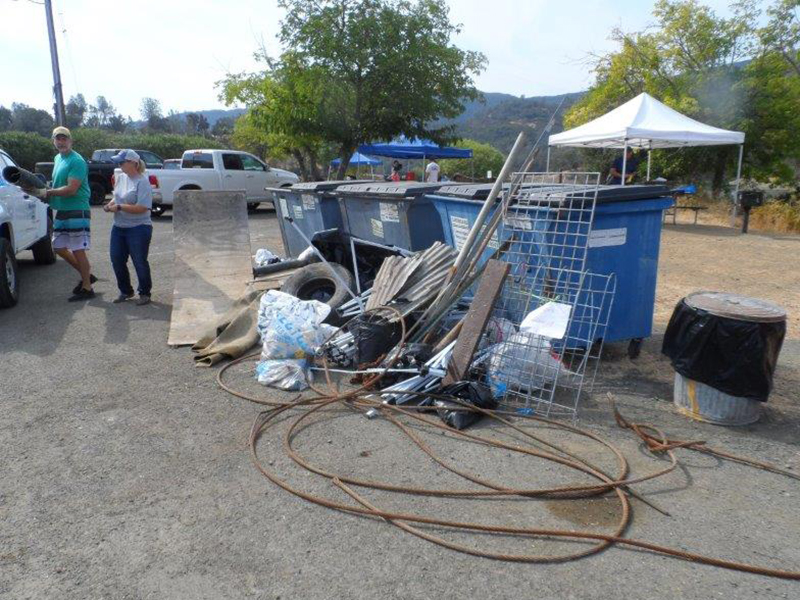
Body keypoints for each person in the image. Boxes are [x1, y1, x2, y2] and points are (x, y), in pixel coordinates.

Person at [44, 126, 96, 302]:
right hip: (62, 209)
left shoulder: (77, 161)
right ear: (54, 141)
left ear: (70, 140)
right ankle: (86, 274)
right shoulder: (58, 158)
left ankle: (87, 287)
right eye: (58, 139)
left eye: (64, 138)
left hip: (77, 208)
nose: (61, 142)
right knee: (58, 247)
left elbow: (72, 189)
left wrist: (49, 192)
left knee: (77, 248)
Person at [103, 149, 153, 305]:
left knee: (139, 261)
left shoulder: (142, 182)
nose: (119, 165)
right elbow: (116, 197)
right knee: (116, 259)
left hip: (139, 227)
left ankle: (144, 293)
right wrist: (110, 204)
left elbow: (142, 208)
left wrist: (119, 207)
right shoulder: (121, 177)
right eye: (118, 162)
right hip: (119, 227)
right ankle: (126, 291)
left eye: (122, 162)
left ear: (134, 163)